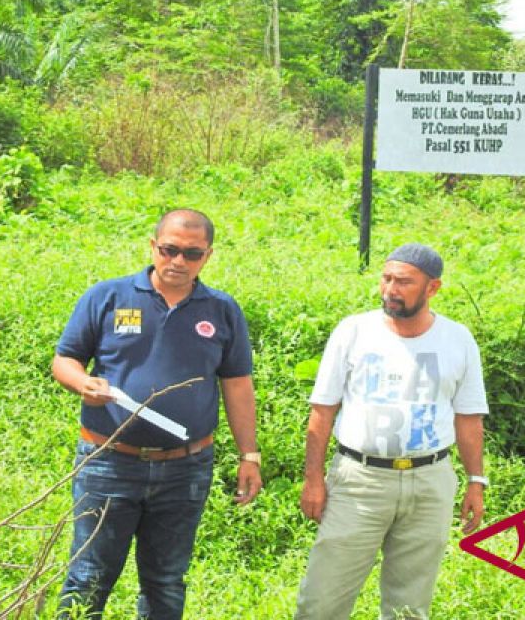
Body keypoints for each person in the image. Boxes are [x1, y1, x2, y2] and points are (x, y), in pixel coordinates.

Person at [52, 208, 262, 619]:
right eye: (169, 250)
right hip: (109, 463)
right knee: (89, 575)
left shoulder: (221, 310)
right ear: (153, 247)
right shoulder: (107, 297)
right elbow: (65, 360)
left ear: (208, 256)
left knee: (165, 581)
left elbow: (237, 383)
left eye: (192, 254)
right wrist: (82, 383)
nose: (178, 262)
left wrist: (249, 455)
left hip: (185, 469)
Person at [295, 243, 489, 620]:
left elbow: (468, 417)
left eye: (403, 282)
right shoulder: (354, 331)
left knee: (409, 607)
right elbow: (322, 410)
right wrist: (313, 478)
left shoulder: (458, 340)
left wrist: (475, 480)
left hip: (430, 482)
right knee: (321, 602)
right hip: (359, 481)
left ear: (433, 288)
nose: (390, 290)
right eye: (386, 279)